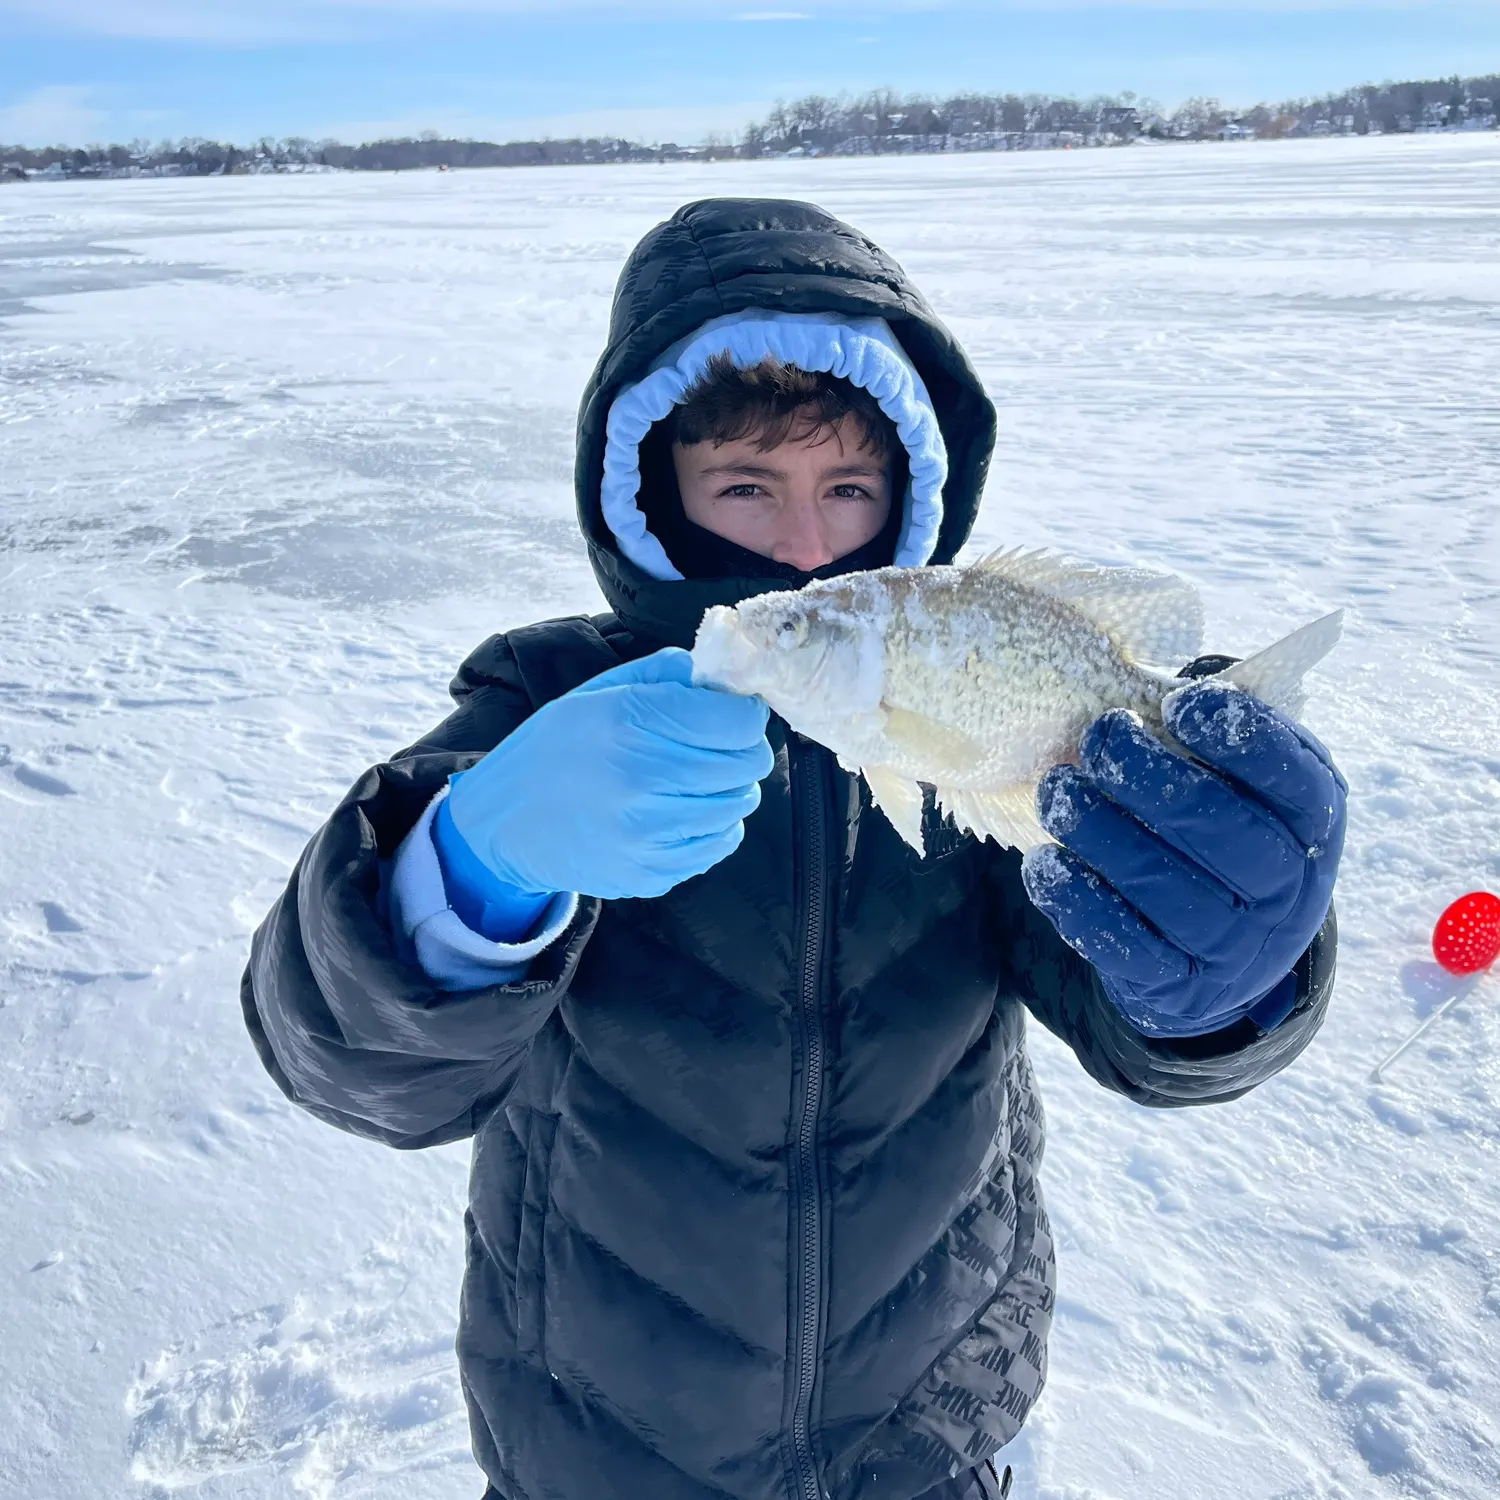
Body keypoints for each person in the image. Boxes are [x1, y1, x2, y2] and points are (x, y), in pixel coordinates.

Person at [243, 199, 1345, 1500]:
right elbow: (348, 1054)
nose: (809, 546)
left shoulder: (979, 746)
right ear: (654, 494)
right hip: (601, 1450)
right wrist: (473, 859)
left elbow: (1141, 1027)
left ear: (913, 497)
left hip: (931, 1437)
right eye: (747, 490)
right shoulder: (549, 704)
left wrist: (1236, 963)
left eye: (850, 491)